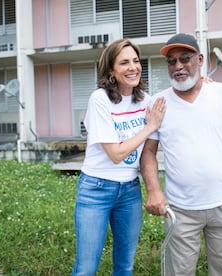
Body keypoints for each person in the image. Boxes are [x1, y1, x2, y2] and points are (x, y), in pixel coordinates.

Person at [140, 33, 222, 276]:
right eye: (171, 61)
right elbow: (149, 153)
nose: (178, 66)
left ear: (200, 59)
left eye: (184, 59)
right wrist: (154, 189)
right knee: (179, 272)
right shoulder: (158, 103)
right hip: (181, 208)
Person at [72, 38, 166, 276]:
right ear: (111, 70)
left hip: (129, 190)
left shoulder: (146, 100)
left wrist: (203, 83)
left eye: (136, 61)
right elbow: (115, 154)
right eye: (124, 62)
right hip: (96, 189)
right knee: (86, 268)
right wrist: (148, 127)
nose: (133, 67)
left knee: (125, 265)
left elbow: (176, 96)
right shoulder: (100, 99)